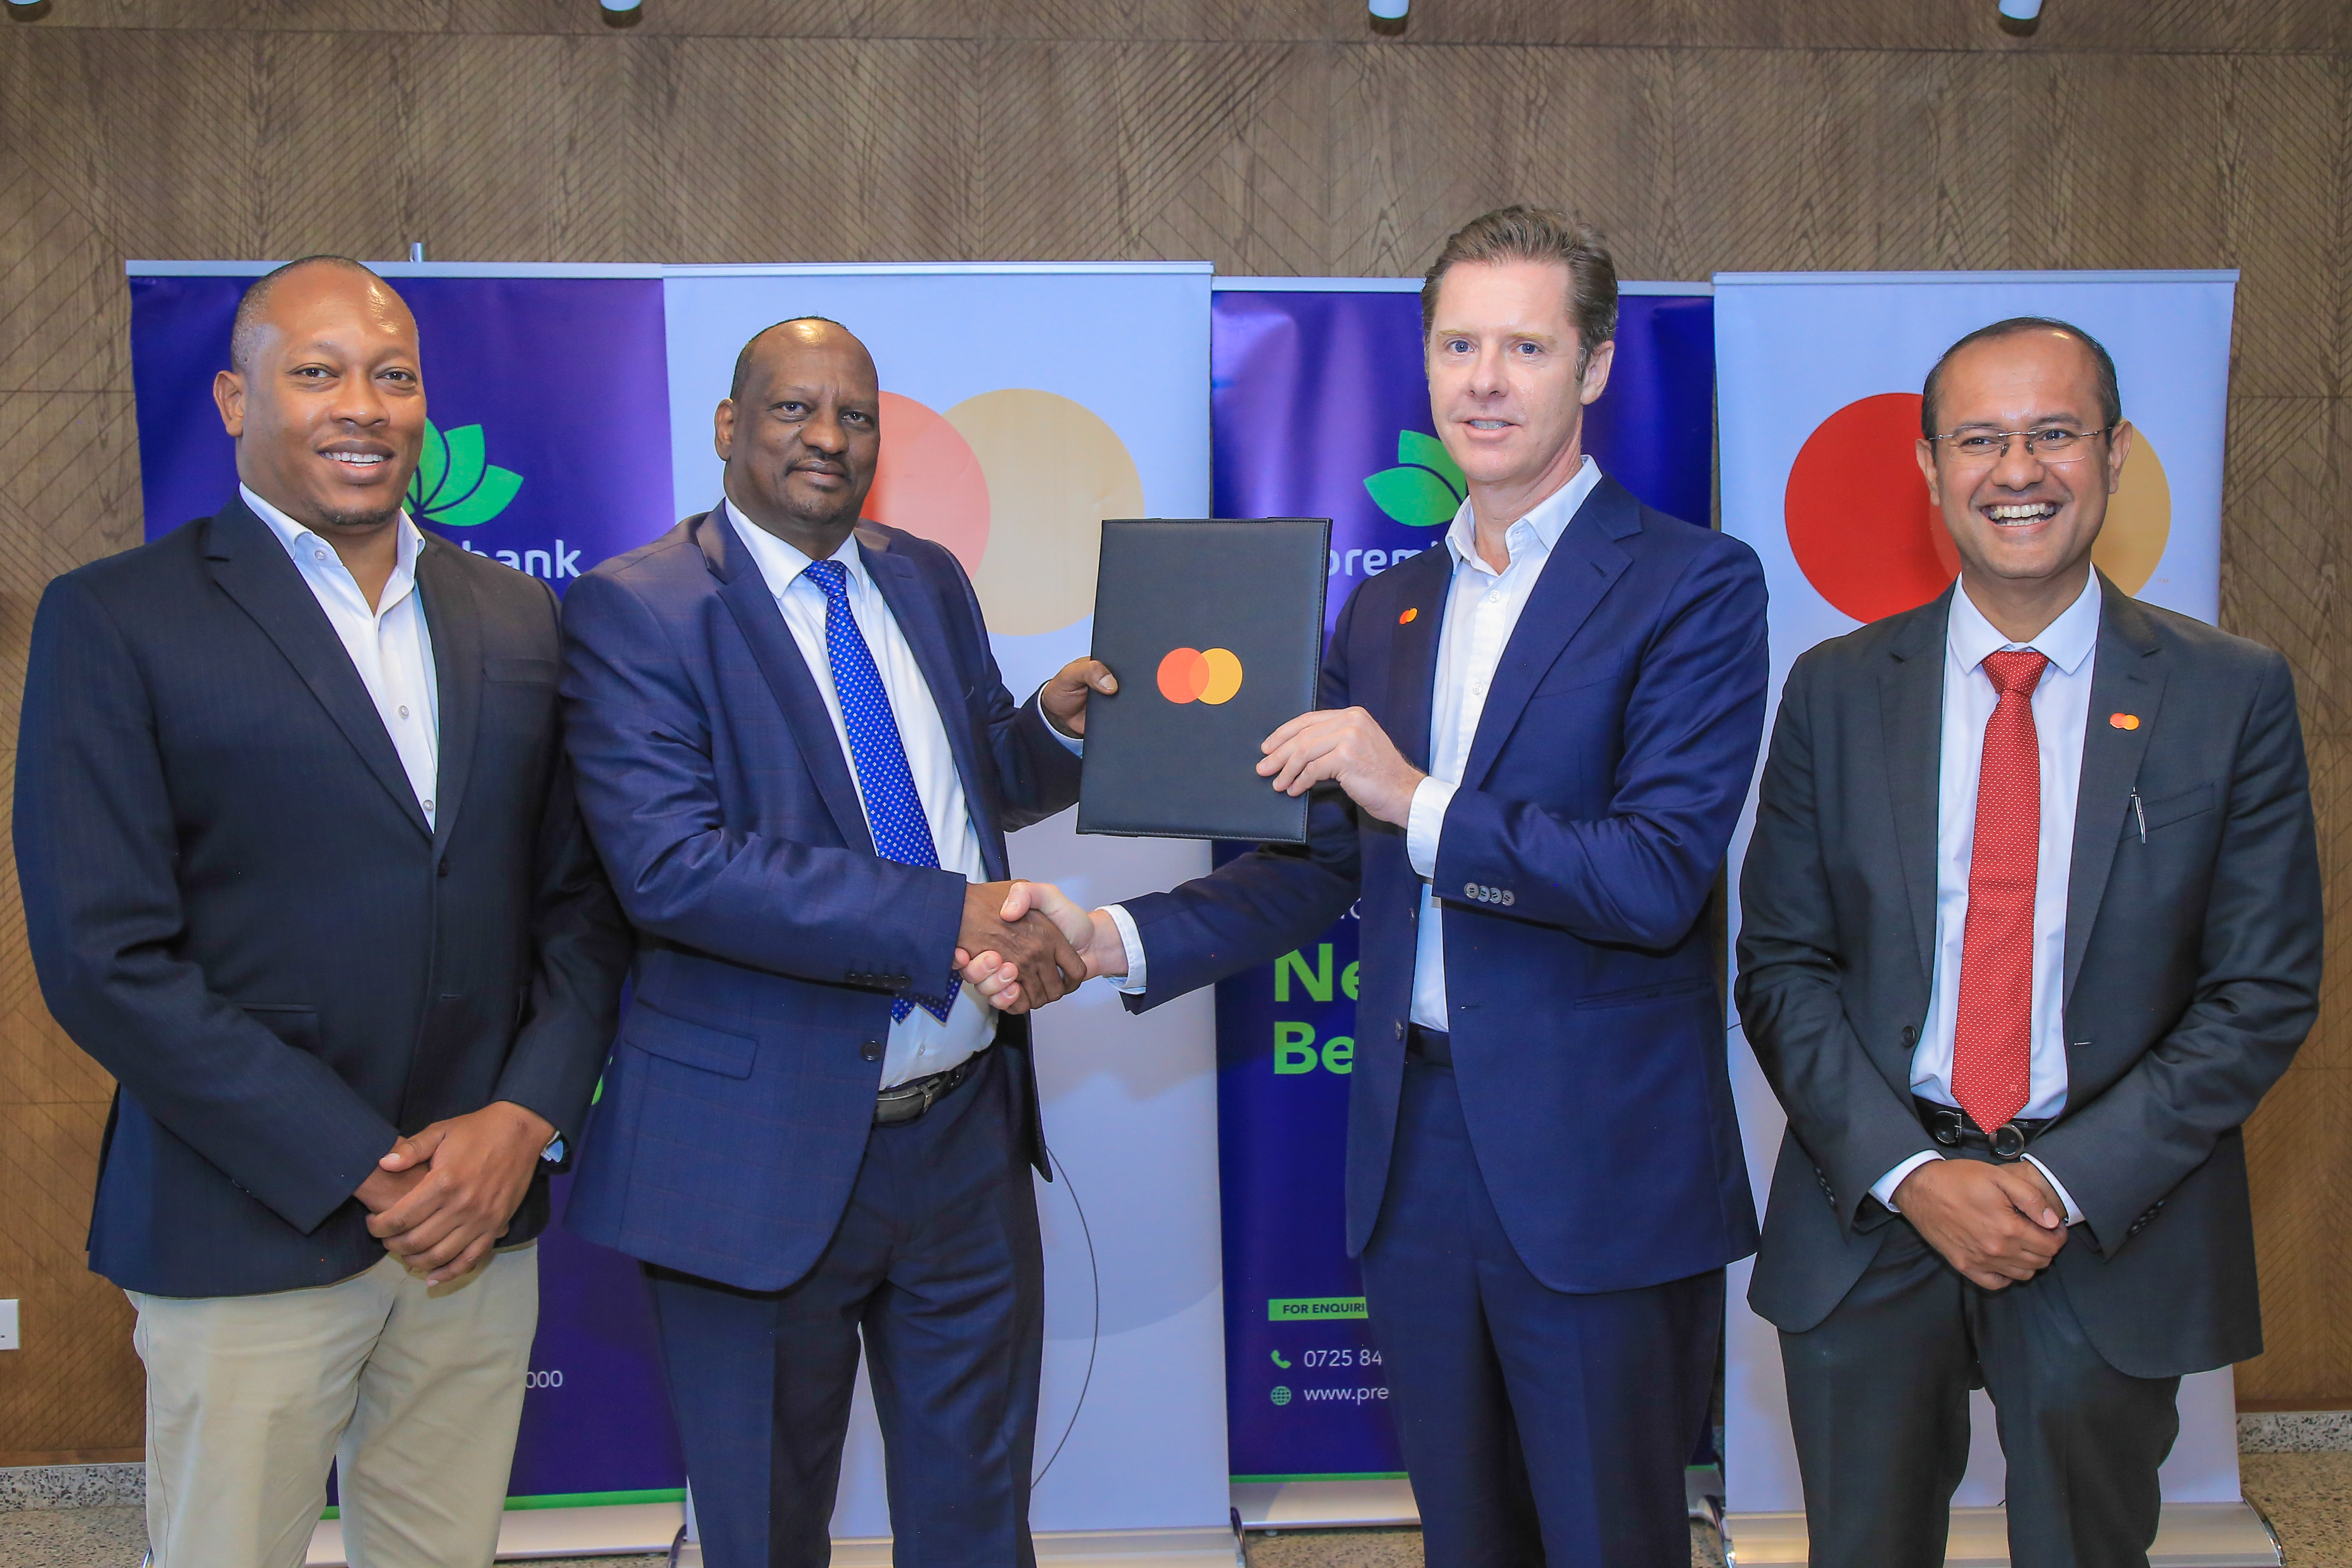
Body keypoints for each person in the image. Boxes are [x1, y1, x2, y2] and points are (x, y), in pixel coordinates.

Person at [972, 206, 1770, 1567]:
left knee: (1611, 1542)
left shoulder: (1692, 585)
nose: (1485, 381)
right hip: (1415, 1161)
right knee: (1467, 1539)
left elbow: (1654, 878)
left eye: (1527, 347)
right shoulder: (1388, 607)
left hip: (1599, 1170)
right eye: (1459, 345)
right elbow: (1316, 868)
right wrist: (1104, 937)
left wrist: (1418, 798)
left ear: (1594, 366)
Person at [13, 256, 631, 1568]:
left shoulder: (519, 613)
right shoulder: (116, 618)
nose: (363, 405)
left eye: (393, 376)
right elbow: (103, 956)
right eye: (318, 372)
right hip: (245, 1216)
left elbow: (580, 909)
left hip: (476, 1223)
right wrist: (361, 1160)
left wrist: (521, 1123)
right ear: (236, 399)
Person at [1735, 318, 2322, 1568]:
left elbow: (2261, 989)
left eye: (2055, 434)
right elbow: (1783, 966)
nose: (2018, 471)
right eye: (1980, 440)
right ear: (1930, 465)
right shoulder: (1834, 690)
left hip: (2108, 1215)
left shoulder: (2229, 693)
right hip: (1872, 1207)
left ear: (2115, 454)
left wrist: (2057, 1184)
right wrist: (1914, 1173)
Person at [558, 316, 1115, 1568]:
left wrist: (1050, 731)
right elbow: (672, 868)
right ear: (728, 426)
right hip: (752, 1160)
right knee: (766, 1530)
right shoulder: (638, 608)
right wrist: (939, 914)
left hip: (964, 1140)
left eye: (854, 415)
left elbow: (967, 782)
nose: (828, 437)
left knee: (978, 1525)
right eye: (793, 408)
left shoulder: (923, 578)